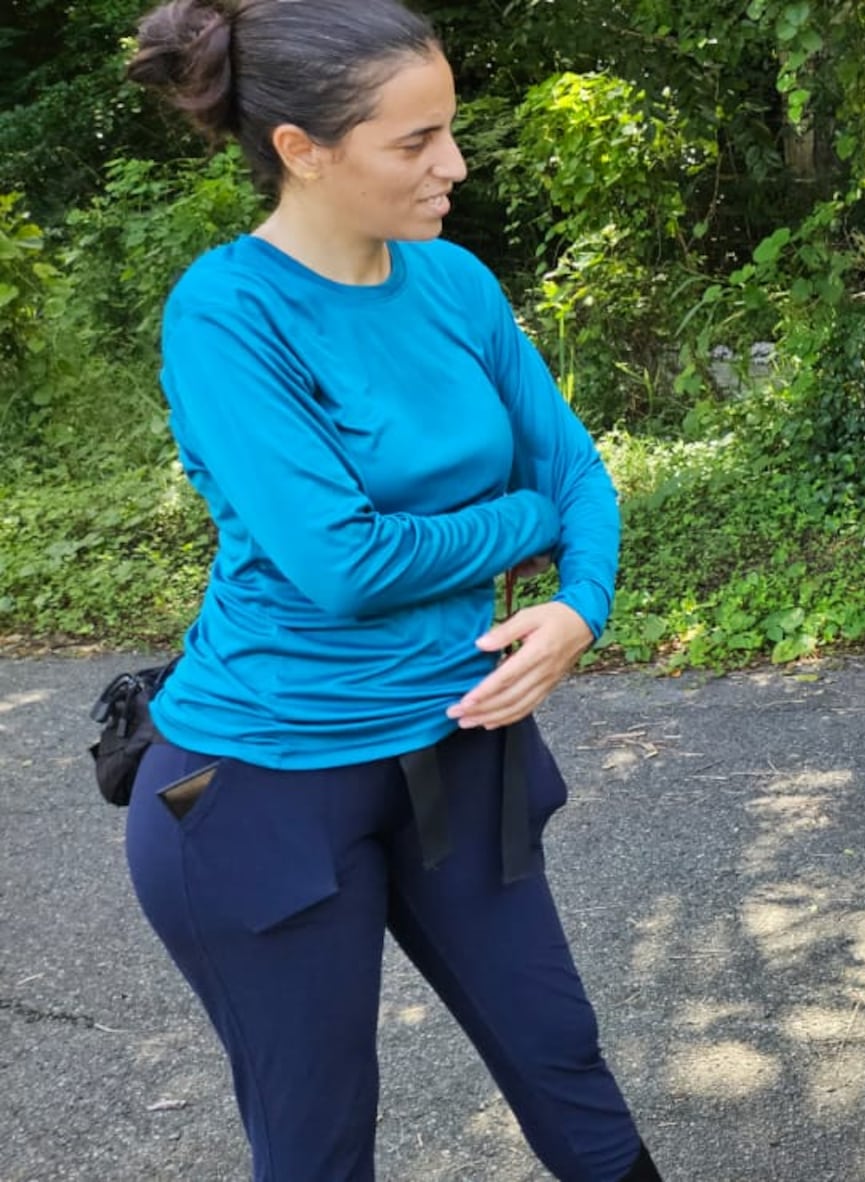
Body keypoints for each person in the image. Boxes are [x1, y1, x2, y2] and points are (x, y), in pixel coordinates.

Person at [120, 1, 651, 1178]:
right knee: (318, 1139)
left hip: (455, 749)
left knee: (562, 1054)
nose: (453, 165)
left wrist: (579, 606)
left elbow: (574, 469)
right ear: (302, 150)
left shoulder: (452, 282)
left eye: (448, 130)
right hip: (260, 786)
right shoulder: (227, 313)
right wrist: (523, 523)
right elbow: (344, 563)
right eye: (414, 143)